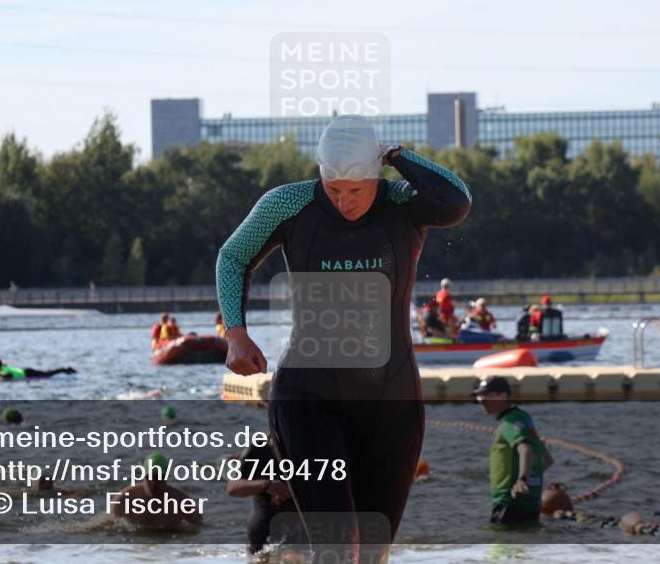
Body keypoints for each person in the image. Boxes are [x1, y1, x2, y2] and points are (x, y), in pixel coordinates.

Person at [216, 115, 471, 562]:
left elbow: (456, 201)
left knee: (372, 552)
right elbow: (233, 256)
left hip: (391, 402)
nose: (343, 202)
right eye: (333, 188)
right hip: (308, 398)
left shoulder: (403, 201)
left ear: (377, 175)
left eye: (355, 190)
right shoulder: (288, 204)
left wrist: (398, 157)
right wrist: (236, 332)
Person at [473, 376, 554, 525]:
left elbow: (525, 449)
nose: (482, 400)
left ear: (503, 396)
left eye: (487, 396)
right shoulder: (524, 419)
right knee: (524, 545)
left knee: (501, 545)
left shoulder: (509, 423)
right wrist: (532, 480)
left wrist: (521, 480)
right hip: (531, 503)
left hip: (509, 502)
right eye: (480, 396)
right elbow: (547, 460)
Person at [226, 435, 302, 555]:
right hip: (262, 538)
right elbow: (233, 487)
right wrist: (266, 485)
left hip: (302, 537)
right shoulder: (259, 448)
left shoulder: (311, 446)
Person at [108, 453, 204, 529]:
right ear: (144, 477)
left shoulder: (183, 504)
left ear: (165, 478)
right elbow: (111, 526)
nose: (153, 484)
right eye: (150, 477)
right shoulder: (124, 499)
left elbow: (200, 529)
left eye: (158, 478)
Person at [0, 358, 76, 380]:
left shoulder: (4, 370)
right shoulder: (3, 367)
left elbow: (8, 376)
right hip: (26, 371)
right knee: (47, 373)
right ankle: (65, 370)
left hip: (28, 373)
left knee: (48, 374)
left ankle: (66, 369)